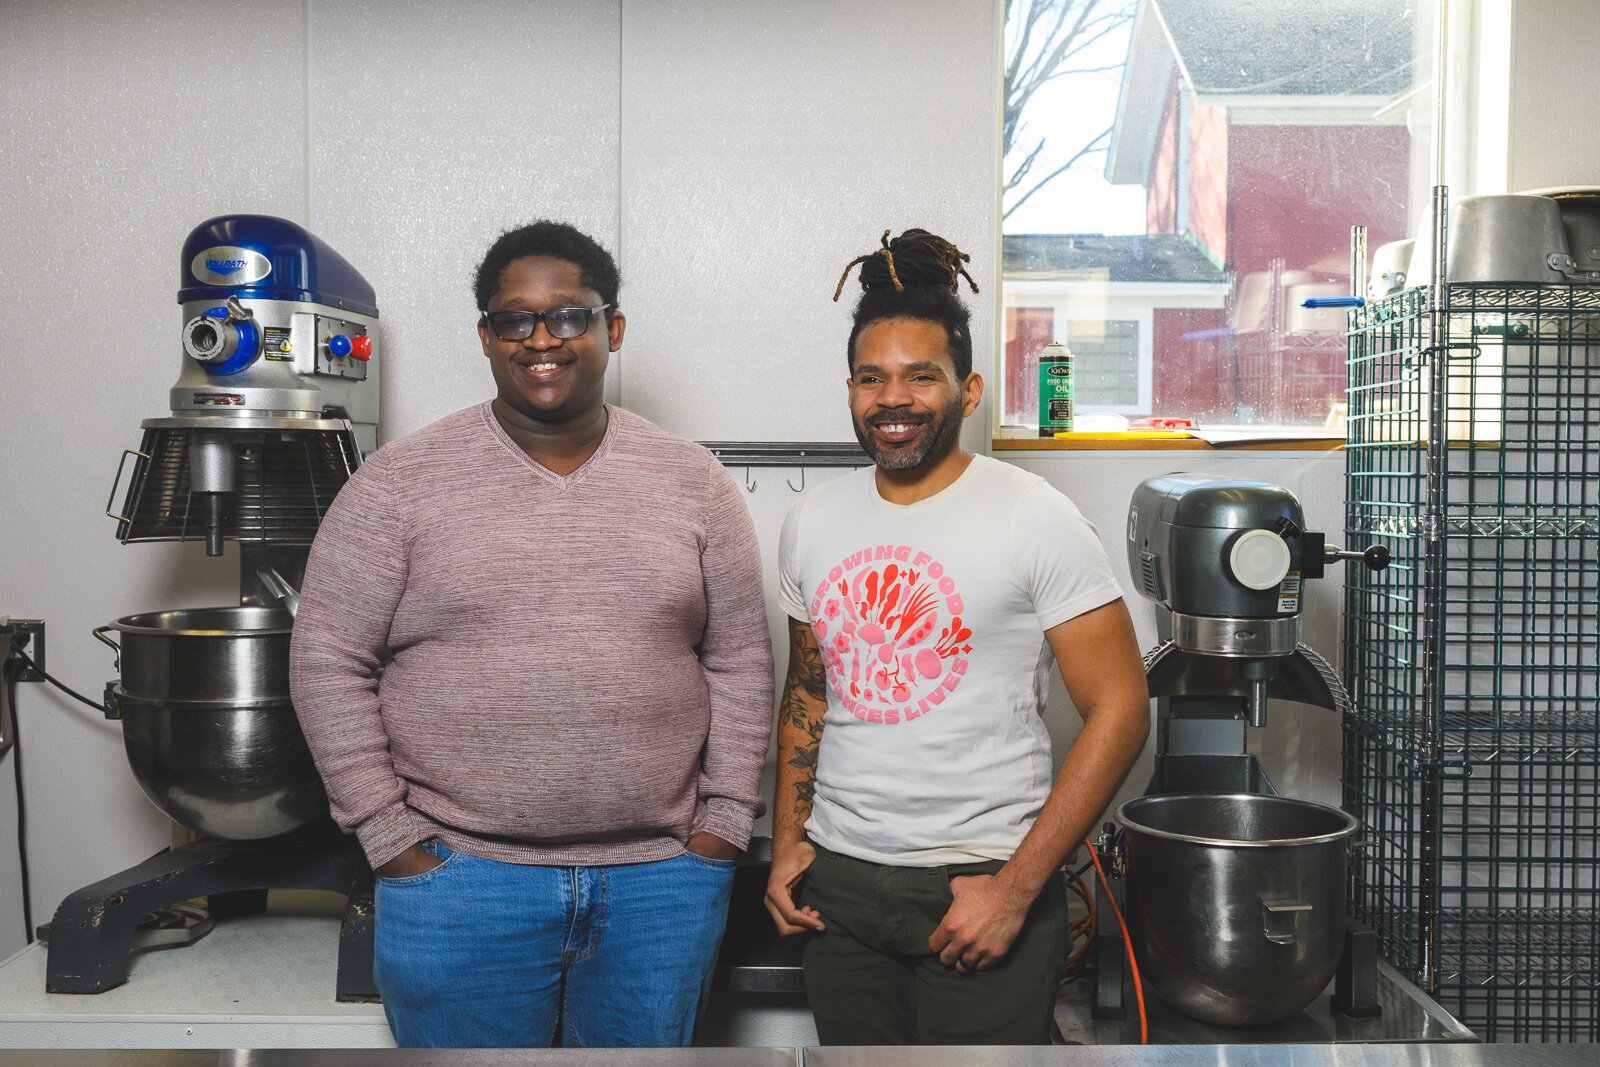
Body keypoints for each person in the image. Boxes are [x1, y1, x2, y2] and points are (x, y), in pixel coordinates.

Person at [289, 220, 774, 1049]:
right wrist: (389, 833)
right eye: (515, 320)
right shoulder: (397, 483)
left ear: (612, 328)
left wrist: (721, 827)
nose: (541, 339)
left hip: (660, 885)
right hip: (459, 883)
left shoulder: (694, 481)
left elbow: (739, 659)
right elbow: (327, 659)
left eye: (569, 316)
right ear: (486, 336)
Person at [762, 228, 1150, 1045]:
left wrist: (1015, 890)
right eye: (872, 378)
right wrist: (790, 846)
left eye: (919, 377)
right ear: (849, 390)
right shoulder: (810, 521)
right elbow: (810, 691)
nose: (892, 399)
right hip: (842, 892)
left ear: (968, 390)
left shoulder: (1034, 516)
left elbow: (1120, 709)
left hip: (981, 878)